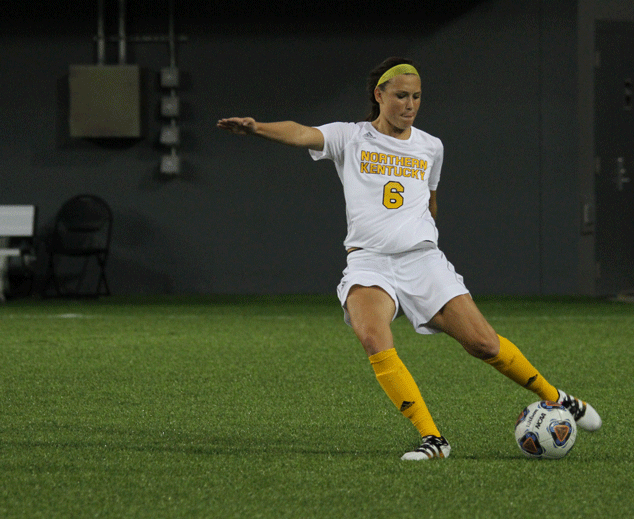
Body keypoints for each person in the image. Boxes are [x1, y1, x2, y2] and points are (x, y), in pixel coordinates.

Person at [217, 57, 601, 460]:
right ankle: (433, 438)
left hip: (420, 260)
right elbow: (302, 133)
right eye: (401, 95)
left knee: (485, 344)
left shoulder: (430, 146)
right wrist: (257, 128)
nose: (410, 104)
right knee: (372, 336)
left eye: (416, 96)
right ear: (379, 95)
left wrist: (418, 233)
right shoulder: (352, 137)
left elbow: (430, 198)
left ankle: (556, 397)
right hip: (369, 261)